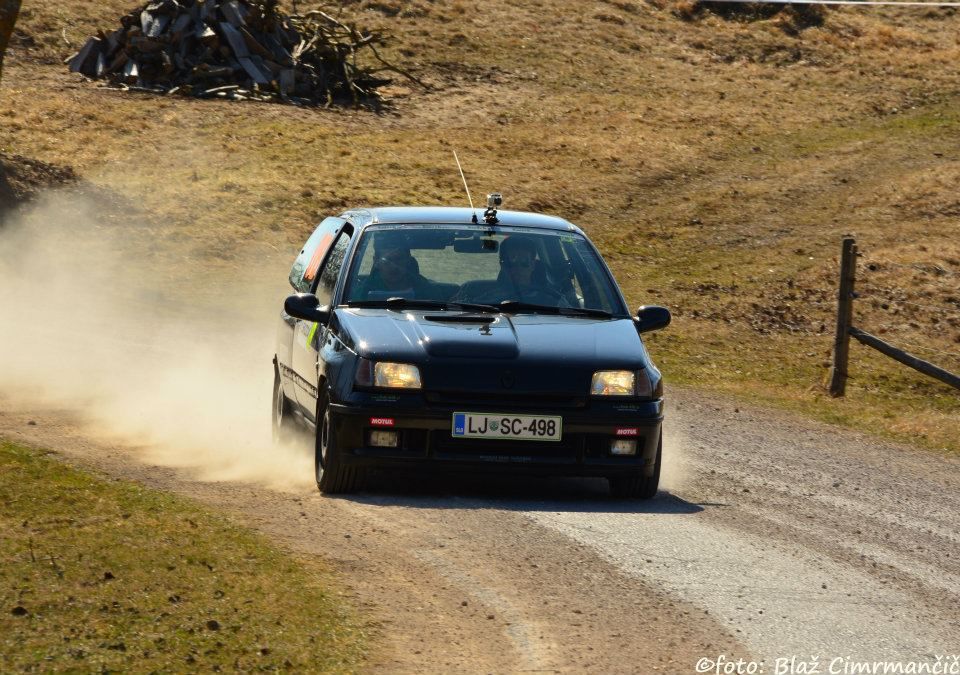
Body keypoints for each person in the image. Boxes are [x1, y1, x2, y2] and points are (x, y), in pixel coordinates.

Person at [356, 232, 432, 300]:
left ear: (408, 260)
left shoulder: (426, 289)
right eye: (387, 260)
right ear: (376, 261)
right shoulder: (363, 291)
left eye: (398, 259)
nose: (393, 266)